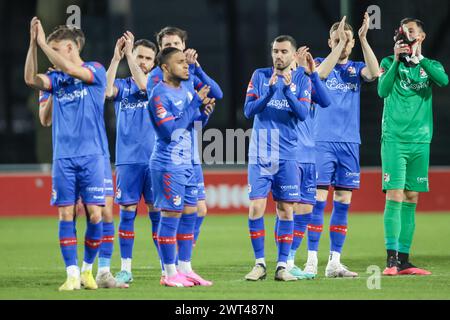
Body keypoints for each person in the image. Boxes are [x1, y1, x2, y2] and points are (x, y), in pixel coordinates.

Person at [25, 18, 108, 291]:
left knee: (95, 214)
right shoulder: (57, 80)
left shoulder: (95, 70)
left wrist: (41, 44)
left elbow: (74, 69)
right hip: (64, 158)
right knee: (65, 213)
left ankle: (87, 270)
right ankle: (72, 274)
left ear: (70, 48)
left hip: (92, 156)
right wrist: (32, 44)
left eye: (55, 49)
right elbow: (29, 79)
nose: (52, 55)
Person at [304, 13, 380, 278]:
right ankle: (311, 259)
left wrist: (361, 38)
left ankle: (334, 262)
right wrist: (340, 43)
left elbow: (374, 73)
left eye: (346, 42)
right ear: (330, 42)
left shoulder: (355, 67)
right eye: (337, 40)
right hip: (322, 141)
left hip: (349, 143)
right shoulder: (317, 63)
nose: (343, 45)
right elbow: (320, 75)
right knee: (318, 201)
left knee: (343, 202)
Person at [148, 27, 223, 283]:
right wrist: (194, 106)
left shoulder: (184, 88)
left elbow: (192, 121)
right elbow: (171, 132)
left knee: (192, 211)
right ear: (166, 68)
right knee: (171, 215)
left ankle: (185, 267)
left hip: (188, 159)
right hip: (169, 162)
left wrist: (204, 111)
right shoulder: (158, 92)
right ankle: (168, 273)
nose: (187, 65)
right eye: (180, 62)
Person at [378, 18, 448, 276]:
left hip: (420, 140)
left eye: (411, 32)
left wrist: (421, 61)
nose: (405, 36)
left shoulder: (429, 66)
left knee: (411, 197)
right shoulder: (388, 62)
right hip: (395, 139)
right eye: (402, 32)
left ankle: (405, 261)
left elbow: (443, 80)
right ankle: (391, 261)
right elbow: (382, 91)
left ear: (421, 36)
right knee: (394, 195)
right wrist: (397, 61)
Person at [244, 35, 312, 282]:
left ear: (294, 55)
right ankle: (259, 263)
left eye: (283, 51)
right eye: (275, 51)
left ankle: (282, 266)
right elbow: (248, 110)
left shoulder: (303, 78)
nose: (278, 56)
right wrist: (270, 92)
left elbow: (304, 113)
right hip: (261, 153)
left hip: (288, 154)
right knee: (256, 207)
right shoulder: (259, 76)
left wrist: (286, 91)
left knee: (285, 210)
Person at [105, 32, 161, 286]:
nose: (143, 62)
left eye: (148, 58)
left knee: (157, 213)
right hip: (128, 160)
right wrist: (117, 59)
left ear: (155, 63)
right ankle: (126, 268)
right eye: (139, 56)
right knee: (127, 212)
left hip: (156, 160)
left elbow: (145, 87)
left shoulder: (158, 84)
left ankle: (166, 267)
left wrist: (128, 54)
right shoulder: (124, 85)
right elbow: (106, 91)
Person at [274, 46, 332, 280]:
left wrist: (312, 73)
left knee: (307, 209)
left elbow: (326, 102)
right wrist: (298, 72)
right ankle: (283, 261)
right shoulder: (282, 81)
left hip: (310, 154)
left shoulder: (307, 80)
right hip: (291, 152)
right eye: (282, 52)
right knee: (288, 209)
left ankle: (290, 260)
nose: (285, 56)